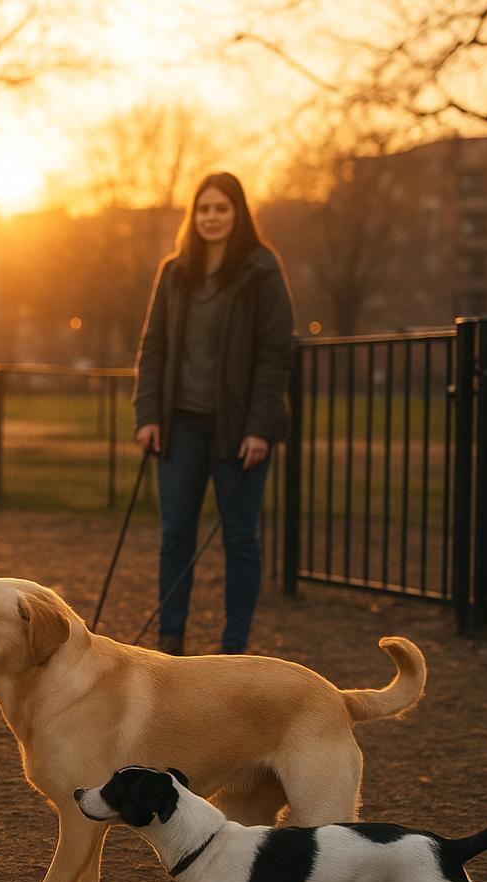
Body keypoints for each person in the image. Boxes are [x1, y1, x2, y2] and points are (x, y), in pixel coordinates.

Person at [132, 171, 295, 656]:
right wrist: (147, 415)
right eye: (204, 208)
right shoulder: (173, 271)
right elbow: (153, 345)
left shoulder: (262, 270)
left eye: (221, 208)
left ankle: (233, 647)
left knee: (240, 538)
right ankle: (170, 641)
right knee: (175, 535)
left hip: (239, 431)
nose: (212, 217)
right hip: (179, 425)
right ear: (193, 214)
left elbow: (275, 352)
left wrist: (260, 428)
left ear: (238, 213)